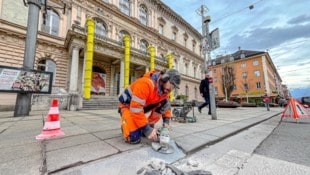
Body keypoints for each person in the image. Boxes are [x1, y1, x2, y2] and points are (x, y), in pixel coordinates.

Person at [118, 69, 181, 144]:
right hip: (127, 107)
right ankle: (127, 125)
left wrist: (166, 122)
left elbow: (166, 107)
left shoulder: (164, 91)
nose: (171, 89)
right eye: (172, 85)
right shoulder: (145, 83)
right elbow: (136, 109)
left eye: (174, 87)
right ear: (165, 78)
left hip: (141, 108)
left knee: (165, 103)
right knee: (134, 137)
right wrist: (146, 129)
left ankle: (148, 125)